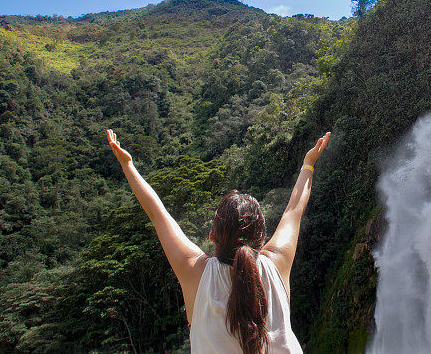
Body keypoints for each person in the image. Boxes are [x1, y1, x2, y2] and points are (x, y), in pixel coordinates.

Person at [106, 129, 331, 354]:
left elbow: (157, 214)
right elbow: (294, 211)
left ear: (212, 236)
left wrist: (128, 166)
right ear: (262, 238)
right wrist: (308, 164)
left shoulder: (196, 273)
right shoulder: (276, 265)